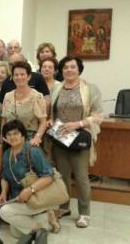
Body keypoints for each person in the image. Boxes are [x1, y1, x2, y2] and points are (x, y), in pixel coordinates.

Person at [49, 56, 103, 228]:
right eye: (65, 67)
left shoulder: (90, 89)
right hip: (60, 138)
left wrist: (77, 124)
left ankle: (84, 213)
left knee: (81, 177)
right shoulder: (57, 88)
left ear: (79, 69)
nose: (69, 70)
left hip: (79, 138)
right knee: (62, 176)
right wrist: (51, 121)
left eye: (72, 67)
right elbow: (52, 111)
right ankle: (64, 207)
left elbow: (98, 115)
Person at [0, 120, 60, 239]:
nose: (12, 137)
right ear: (5, 137)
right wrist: (3, 193)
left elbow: (49, 176)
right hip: (19, 198)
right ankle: (45, 219)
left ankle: (41, 229)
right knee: (16, 233)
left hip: (38, 196)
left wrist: (29, 190)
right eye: (9, 134)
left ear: (23, 135)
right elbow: (4, 177)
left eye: (15, 133)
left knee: (4, 212)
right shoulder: (7, 154)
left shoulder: (32, 150)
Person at [1, 61, 47, 146]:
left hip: (30, 141)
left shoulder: (37, 97)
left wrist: (37, 138)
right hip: (10, 140)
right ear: (12, 77)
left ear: (29, 77)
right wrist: (2, 136)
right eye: (16, 75)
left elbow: (43, 122)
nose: (19, 77)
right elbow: (3, 119)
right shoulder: (7, 96)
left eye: (22, 74)